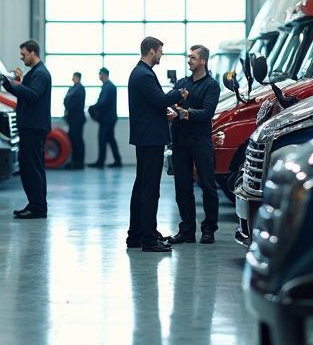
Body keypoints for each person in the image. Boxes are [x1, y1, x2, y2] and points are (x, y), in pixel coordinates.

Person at [127, 36, 187, 253]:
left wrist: (164, 112)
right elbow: (160, 100)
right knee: (150, 189)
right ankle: (149, 239)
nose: (161, 55)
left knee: (141, 186)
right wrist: (178, 93)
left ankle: (136, 234)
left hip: (145, 137)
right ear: (152, 51)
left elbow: (151, 105)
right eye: (160, 51)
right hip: (150, 138)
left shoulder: (139, 73)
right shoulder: (144, 75)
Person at [167, 45, 222, 245]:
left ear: (203, 61)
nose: (188, 60)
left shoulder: (212, 86)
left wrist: (183, 113)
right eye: (188, 57)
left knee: (207, 186)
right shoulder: (182, 83)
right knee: (182, 187)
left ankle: (209, 230)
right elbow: (171, 102)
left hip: (200, 141)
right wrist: (180, 110)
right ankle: (187, 231)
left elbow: (207, 113)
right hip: (180, 142)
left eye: (192, 57)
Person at [1, 39, 52, 219]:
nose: (22, 58)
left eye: (24, 54)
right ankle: (35, 204)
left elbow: (32, 95)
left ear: (32, 52)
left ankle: (38, 208)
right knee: (30, 167)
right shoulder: (35, 73)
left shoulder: (40, 74)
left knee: (32, 168)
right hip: (31, 126)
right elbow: (27, 92)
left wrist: (15, 85)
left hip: (34, 127)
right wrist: (13, 83)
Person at [88, 67, 122, 168]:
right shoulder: (108, 86)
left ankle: (100, 162)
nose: (99, 76)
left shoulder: (108, 87)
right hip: (109, 118)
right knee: (110, 139)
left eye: (100, 74)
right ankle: (117, 160)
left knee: (102, 139)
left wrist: (93, 107)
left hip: (107, 119)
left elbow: (103, 102)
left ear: (104, 74)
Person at [63, 72, 86, 170]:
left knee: (77, 140)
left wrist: (67, 102)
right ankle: (74, 161)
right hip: (71, 119)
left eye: (74, 77)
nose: (72, 78)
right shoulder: (72, 88)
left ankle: (79, 162)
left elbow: (72, 102)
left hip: (77, 119)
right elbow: (65, 100)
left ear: (78, 78)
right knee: (72, 140)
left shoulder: (80, 89)